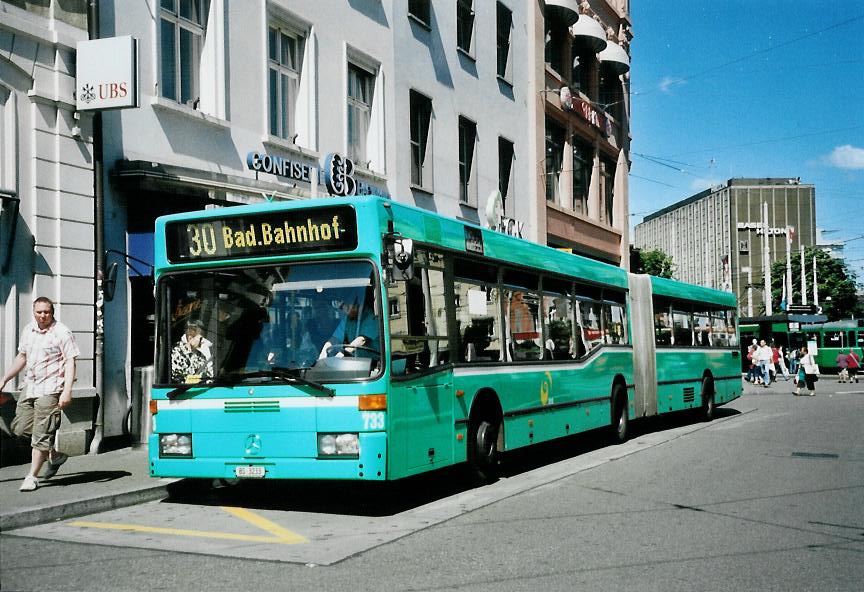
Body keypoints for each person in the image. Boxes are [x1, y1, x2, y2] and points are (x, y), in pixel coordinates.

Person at [1, 297, 80, 492]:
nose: (43, 315)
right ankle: (54, 454)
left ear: (52, 312)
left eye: (46, 312)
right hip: (31, 387)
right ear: (34, 312)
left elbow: (70, 362)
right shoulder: (29, 330)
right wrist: (5, 378)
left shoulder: (62, 332)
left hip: (51, 389)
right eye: (39, 312)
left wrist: (67, 391)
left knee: (41, 435)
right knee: (20, 429)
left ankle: (32, 476)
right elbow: (22, 357)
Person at [318, 293, 379, 358]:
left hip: (375, 362)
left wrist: (342, 354)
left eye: (347, 307)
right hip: (357, 361)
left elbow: (361, 340)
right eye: (342, 308)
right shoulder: (347, 319)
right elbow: (335, 338)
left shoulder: (372, 317)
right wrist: (324, 350)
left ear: (357, 305)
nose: (345, 311)